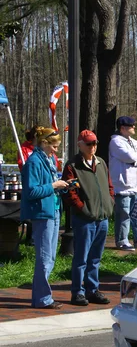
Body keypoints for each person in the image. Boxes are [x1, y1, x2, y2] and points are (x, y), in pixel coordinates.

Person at [20, 127, 72, 309]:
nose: (56, 150)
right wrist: (53, 185)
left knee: (50, 257)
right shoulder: (34, 162)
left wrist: (62, 186)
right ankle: (42, 298)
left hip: (53, 210)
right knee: (44, 257)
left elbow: (49, 186)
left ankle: (41, 297)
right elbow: (31, 191)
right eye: (54, 147)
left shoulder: (48, 160)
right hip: (42, 213)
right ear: (44, 143)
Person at [62, 130, 115, 306]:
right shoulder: (72, 166)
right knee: (81, 258)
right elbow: (70, 192)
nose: (93, 147)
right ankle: (77, 292)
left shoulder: (101, 163)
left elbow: (109, 185)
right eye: (89, 144)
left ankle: (92, 290)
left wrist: (110, 202)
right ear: (80, 145)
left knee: (95, 257)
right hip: (84, 219)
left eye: (95, 143)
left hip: (102, 217)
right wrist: (83, 209)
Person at [108, 115, 137, 250]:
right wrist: (135, 159)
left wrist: (134, 161)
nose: (134, 127)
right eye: (131, 126)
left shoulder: (134, 142)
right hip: (122, 186)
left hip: (136, 184)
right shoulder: (116, 142)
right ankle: (122, 240)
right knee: (123, 214)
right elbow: (129, 156)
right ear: (123, 128)